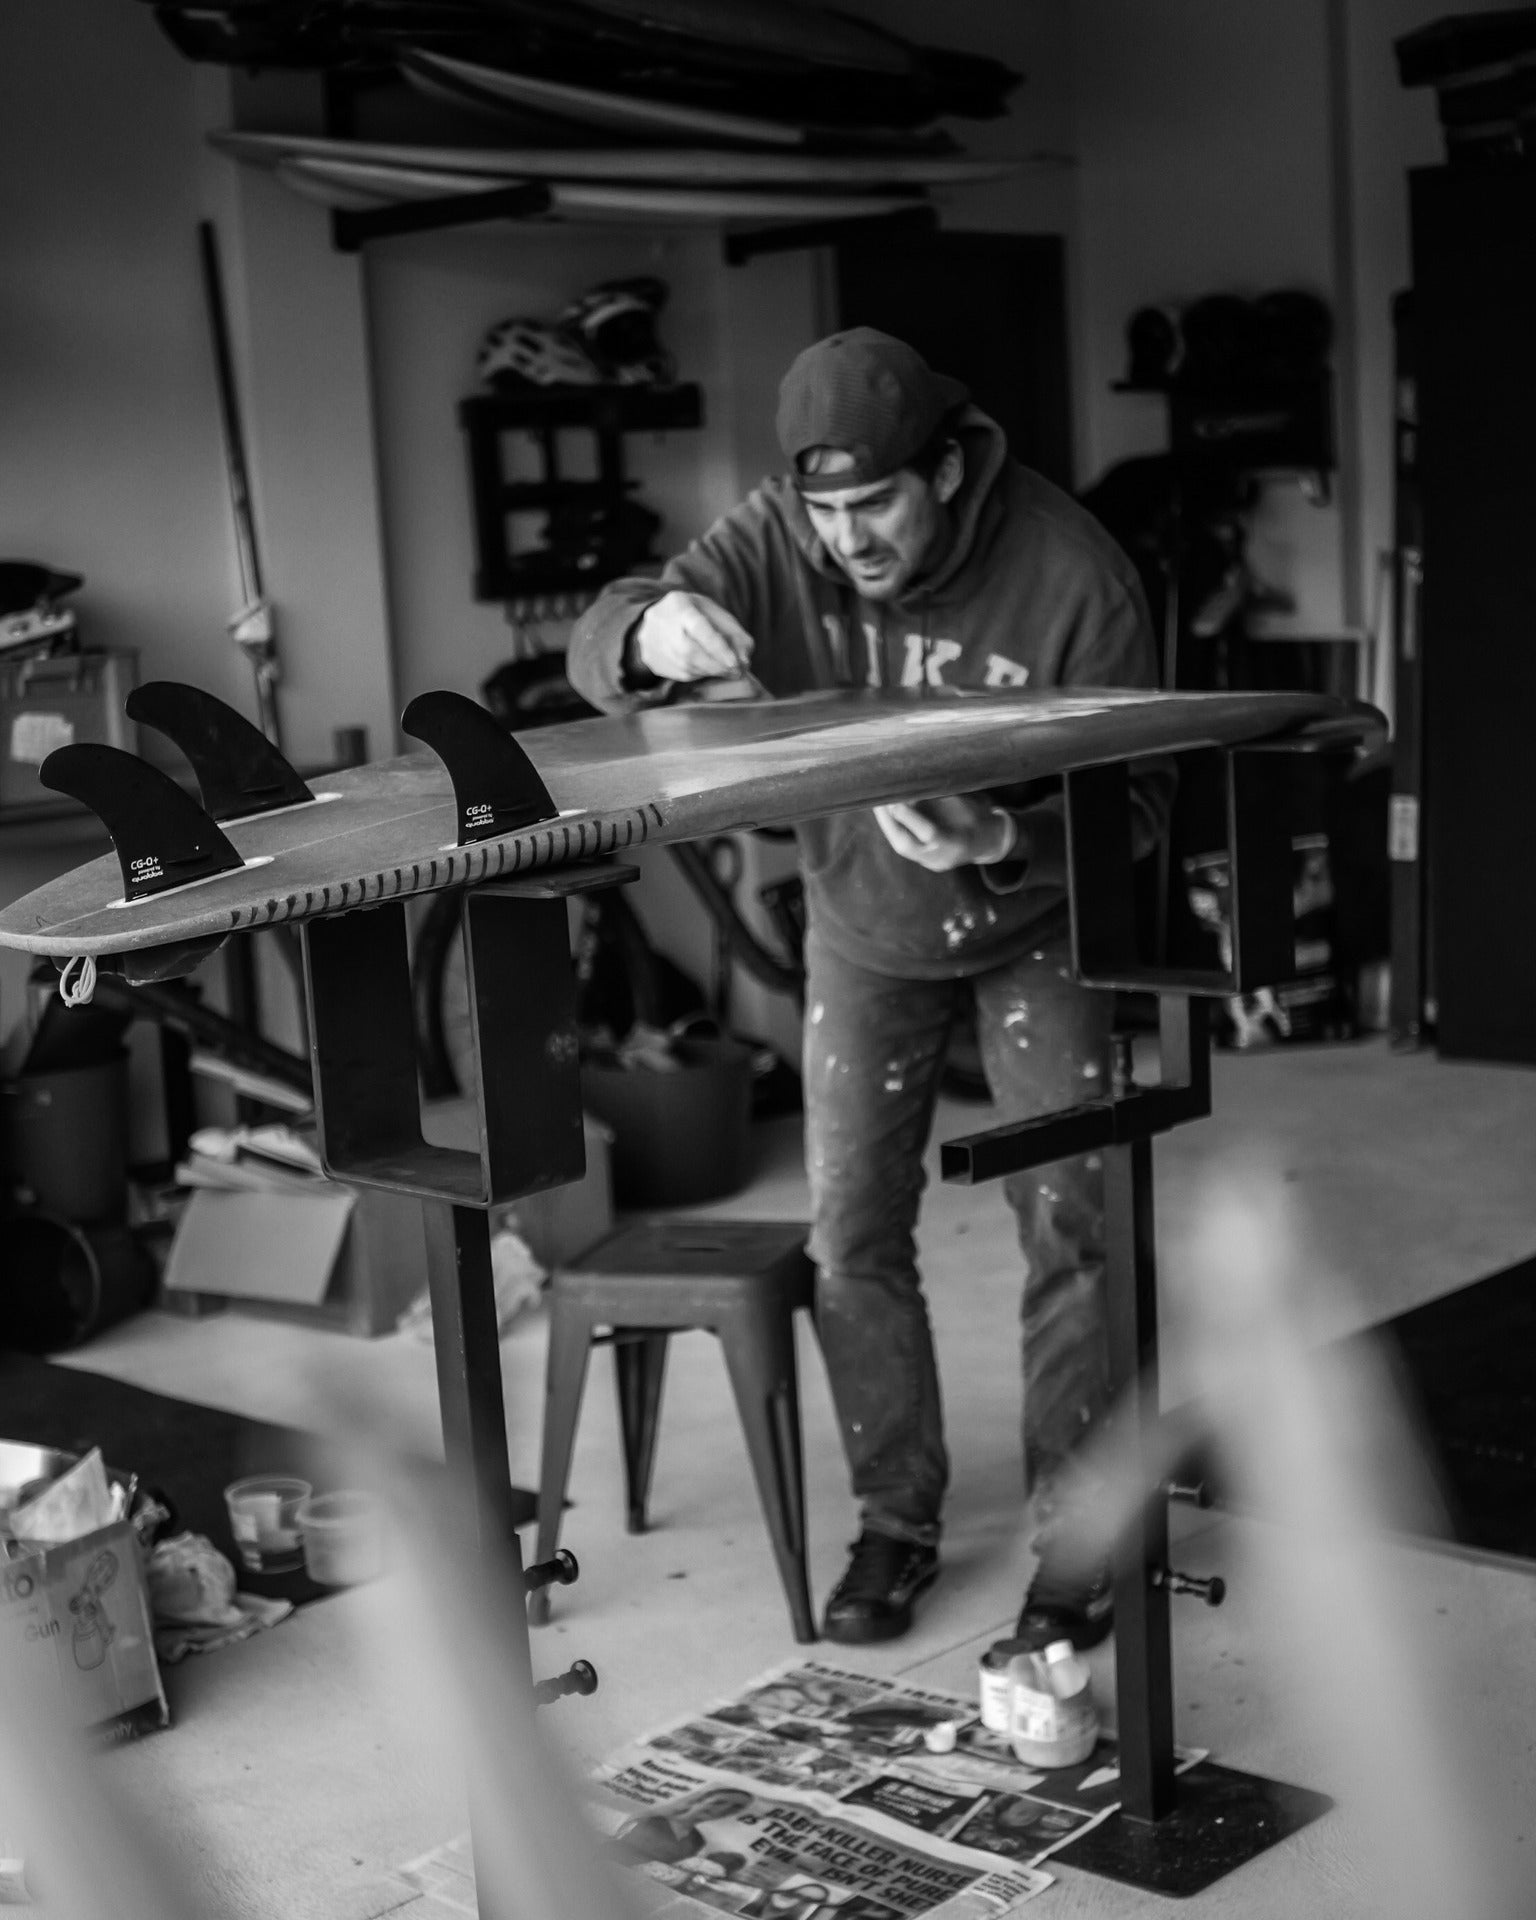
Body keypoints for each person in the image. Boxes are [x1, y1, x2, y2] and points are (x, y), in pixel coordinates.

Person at [568, 328, 1172, 1648]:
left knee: (1071, 1226)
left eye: (876, 503)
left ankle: (1081, 1546)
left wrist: (1004, 837)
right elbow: (600, 638)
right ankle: (896, 1520)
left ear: (947, 470)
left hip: (1040, 921)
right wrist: (643, 627)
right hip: (862, 920)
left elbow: (1146, 807)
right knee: (852, 1233)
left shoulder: (1078, 576)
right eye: (825, 510)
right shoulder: (776, 532)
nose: (847, 539)